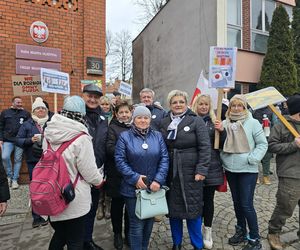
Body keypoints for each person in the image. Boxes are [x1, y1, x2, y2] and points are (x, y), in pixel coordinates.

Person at [46, 96, 104, 250]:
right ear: (81, 113)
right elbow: (89, 172)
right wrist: (99, 181)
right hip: (73, 196)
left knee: (60, 235)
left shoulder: (49, 131)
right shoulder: (81, 137)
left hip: (52, 191)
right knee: (75, 241)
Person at [159, 90, 211, 250]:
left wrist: (201, 170)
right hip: (171, 172)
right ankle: (177, 243)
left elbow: (205, 147)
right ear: (170, 105)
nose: (178, 105)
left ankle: (197, 244)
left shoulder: (196, 121)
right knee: (174, 211)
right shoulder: (164, 121)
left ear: (187, 103)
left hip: (191, 172)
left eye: (181, 101)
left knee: (193, 210)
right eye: (175, 102)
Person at [115, 106, 169, 250]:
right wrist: (135, 178)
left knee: (149, 221)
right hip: (132, 188)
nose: (143, 120)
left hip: (153, 187)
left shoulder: (157, 136)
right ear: (134, 119)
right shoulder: (125, 137)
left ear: (150, 119)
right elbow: (120, 161)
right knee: (137, 224)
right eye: (139, 117)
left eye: (146, 117)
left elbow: (164, 159)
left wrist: (158, 180)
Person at [220, 95, 268, 250]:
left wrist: (252, 159)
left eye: (239, 105)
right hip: (230, 169)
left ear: (244, 107)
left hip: (248, 169)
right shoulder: (224, 123)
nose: (236, 108)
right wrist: (223, 158)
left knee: (246, 204)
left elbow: (262, 144)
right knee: (237, 203)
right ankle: (241, 230)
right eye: (233, 105)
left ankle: (255, 238)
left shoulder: (253, 123)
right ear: (229, 108)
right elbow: (219, 144)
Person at [191, 94, 226, 249]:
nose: (203, 107)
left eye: (206, 104)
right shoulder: (190, 121)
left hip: (212, 167)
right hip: (194, 167)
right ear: (196, 105)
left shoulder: (214, 122)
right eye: (201, 104)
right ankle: (197, 230)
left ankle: (208, 230)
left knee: (209, 200)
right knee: (197, 200)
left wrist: (222, 132)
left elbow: (223, 145)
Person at [267, 94, 300, 250]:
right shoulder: (281, 126)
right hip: (290, 173)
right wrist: (294, 145)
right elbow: (272, 146)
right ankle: (273, 232)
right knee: (285, 206)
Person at [16, 97, 50, 228]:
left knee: (49, 187)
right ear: (33, 111)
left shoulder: (51, 122)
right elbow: (18, 140)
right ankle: (36, 217)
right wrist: (30, 140)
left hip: (49, 161)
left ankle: (49, 212)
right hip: (33, 161)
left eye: (43, 108)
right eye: (38, 108)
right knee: (36, 189)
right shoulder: (27, 124)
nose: (41, 110)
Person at [82, 84, 108, 250]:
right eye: (89, 96)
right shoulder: (77, 115)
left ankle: (87, 239)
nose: (92, 99)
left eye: (96, 97)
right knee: (79, 210)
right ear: (83, 96)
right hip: (79, 173)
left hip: (97, 171)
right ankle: (75, 241)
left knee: (91, 209)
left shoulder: (103, 118)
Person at [105, 101, 132, 249]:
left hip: (132, 174)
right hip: (116, 173)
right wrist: (129, 150)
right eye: (121, 112)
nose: (124, 115)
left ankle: (128, 233)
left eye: (126, 112)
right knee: (117, 206)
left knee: (130, 206)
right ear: (116, 114)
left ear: (131, 113)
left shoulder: (135, 126)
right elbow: (109, 148)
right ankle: (117, 233)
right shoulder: (112, 128)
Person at [0, 96, 30, 189]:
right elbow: (0, 126)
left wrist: (27, 139)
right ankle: (9, 176)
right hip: (8, 140)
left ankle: (14, 180)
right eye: (17, 102)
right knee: (4, 157)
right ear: (12, 103)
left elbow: (29, 126)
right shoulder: (5, 113)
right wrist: (0, 139)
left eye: (21, 102)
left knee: (18, 160)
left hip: (20, 140)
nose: (20, 104)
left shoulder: (25, 113)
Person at [252, 106, 274, 184]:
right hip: (256, 135)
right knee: (255, 155)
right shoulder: (253, 110)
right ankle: (256, 176)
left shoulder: (271, 110)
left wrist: (269, 124)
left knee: (267, 157)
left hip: (267, 135)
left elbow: (275, 124)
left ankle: (266, 176)